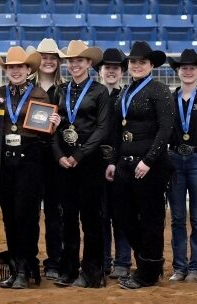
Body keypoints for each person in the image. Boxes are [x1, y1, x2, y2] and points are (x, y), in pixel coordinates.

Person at [104, 41, 174, 289]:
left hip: (149, 166)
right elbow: (115, 131)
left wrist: (149, 160)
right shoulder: (124, 92)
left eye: (141, 62)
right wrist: (113, 161)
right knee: (123, 217)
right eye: (133, 62)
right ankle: (148, 262)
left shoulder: (160, 90)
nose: (136, 65)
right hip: (124, 164)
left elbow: (166, 129)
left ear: (151, 65)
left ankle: (147, 271)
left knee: (151, 218)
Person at [0, 46, 60, 289]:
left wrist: (53, 124)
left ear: (28, 69)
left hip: (30, 159)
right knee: (9, 216)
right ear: (6, 70)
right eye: (11, 67)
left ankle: (26, 266)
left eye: (20, 67)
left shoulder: (41, 94)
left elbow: (48, 130)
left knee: (27, 215)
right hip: (5, 160)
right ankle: (15, 266)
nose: (16, 71)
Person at [52, 40, 109, 288]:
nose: (74, 64)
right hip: (64, 163)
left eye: (79, 61)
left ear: (89, 63)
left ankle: (92, 272)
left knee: (91, 219)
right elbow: (52, 127)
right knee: (68, 219)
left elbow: (102, 127)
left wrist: (81, 154)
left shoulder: (99, 92)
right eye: (70, 61)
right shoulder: (60, 91)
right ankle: (69, 268)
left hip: (90, 163)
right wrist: (58, 155)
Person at [166, 49, 197, 283]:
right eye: (183, 67)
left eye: (192, 67)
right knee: (177, 217)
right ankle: (179, 267)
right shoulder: (170, 98)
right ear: (177, 71)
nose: (187, 71)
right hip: (174, 159)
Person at [95, 48, 133, 279]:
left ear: (122, 72)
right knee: (100, 214)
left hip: (120, 163)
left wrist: (117, 160)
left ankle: (123, 260)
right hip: (95, 162)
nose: (111, 71)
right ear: (100, 71)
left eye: (115, 68)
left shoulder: (127, 96)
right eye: (107, 67)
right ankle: (103, 259)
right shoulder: (92, 95)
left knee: (121, 213)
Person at [31, 38, 65, 280]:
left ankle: (55, 260)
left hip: (56, 157)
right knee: (30, 212)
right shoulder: (25, 86)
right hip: (31, 153)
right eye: (44, 57)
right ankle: (29, 260)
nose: (49, 61)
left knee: (55, 211)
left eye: (53, 57)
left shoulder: (65, 90)